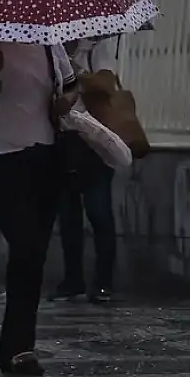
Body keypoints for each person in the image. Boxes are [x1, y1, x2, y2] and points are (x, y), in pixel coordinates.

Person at [0, 41, 77, 376]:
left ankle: (19, 349)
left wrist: (66, 101)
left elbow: (72, 85)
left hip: (45, 160)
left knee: (33, 257)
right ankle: (19, 348)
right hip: (0, 163)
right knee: (26, 247)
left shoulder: (51, 45)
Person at [49, 37, 118, 303]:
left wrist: (76, 73)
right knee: (68, 218)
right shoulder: (50, 50)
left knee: (99, 214)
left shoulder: (95, 48)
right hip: (62, 141)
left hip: (93, 142)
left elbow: (106, 84)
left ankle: (104, 282)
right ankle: (72, 280)